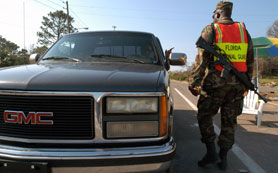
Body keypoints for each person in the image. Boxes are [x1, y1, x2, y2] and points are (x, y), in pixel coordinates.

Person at [188, 1, 254, 170]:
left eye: (214, 15)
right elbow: (249, 61)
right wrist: (247, 83)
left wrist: (194, 81)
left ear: (217, 13)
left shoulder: (211, 29)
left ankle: (211, 152)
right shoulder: (243, 31)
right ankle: (223, 158)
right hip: (237, 87)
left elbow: (201, 60)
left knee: (204, 116)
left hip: (215, 86)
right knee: (230, 122)